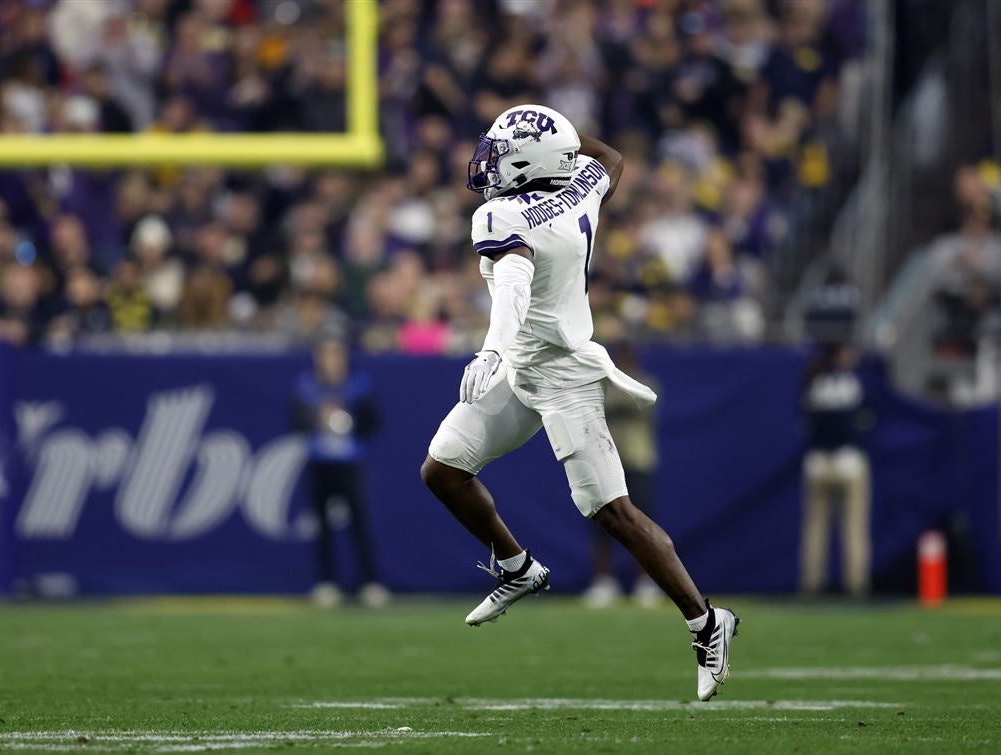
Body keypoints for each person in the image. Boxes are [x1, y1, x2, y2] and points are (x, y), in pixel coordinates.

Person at [419, 105, 737, 701]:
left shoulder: (501, 213)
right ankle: (516, 568)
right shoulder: (581, 187)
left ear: (528, 164)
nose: (487, 160)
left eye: (500, 150)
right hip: (525, 366)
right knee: (443, 469)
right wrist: (559, 136)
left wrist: (490, 349)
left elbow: (512, 288)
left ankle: (706, 622)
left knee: (611, 511)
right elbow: (610, 158)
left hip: (559, 372)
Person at [291, 335, 389, 608]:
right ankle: (326, 582)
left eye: (336, 354)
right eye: (326, 354)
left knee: (359, 523)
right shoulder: (307, 387)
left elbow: (373, 422)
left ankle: (370, 582)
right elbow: (294, 422)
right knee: (321, 525)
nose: (331, 360)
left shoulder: (358, 386)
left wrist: (351, 420)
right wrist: (316, 418)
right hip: (319, 461)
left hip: (349, 462)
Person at [582, 342, 663, 608]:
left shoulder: (646, 383)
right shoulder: (602, 384)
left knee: (640, 523)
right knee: (602, 522)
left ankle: (645, 582)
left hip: (638, 461)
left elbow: (640, 404)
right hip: (605, 461)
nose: (625, 363)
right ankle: (604, 581)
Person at [799, 343, 871, 596]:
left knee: (816, 528)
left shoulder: (812, 379)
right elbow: (863, 417)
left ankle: (812, 585)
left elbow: (805, 418)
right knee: (853, 527)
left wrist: (816, 449)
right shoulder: (850, 381)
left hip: (819, 459)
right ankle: (855, 585)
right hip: (846, 458)